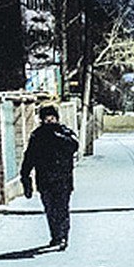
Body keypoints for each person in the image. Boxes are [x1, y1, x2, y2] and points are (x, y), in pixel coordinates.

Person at [21, 104, 79, 250]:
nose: (50, 121)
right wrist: (25, 178)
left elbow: (74, 146)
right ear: (42, 120)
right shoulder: (37, 136)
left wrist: (57, 137)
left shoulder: (64, 132)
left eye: (52, 118)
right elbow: (29, 157)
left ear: (57, 118)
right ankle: (55, 236)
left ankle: (64, 236)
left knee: (62, 209)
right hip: (45, 180)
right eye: (46, 119)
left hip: (63, 179)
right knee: (50, 209)